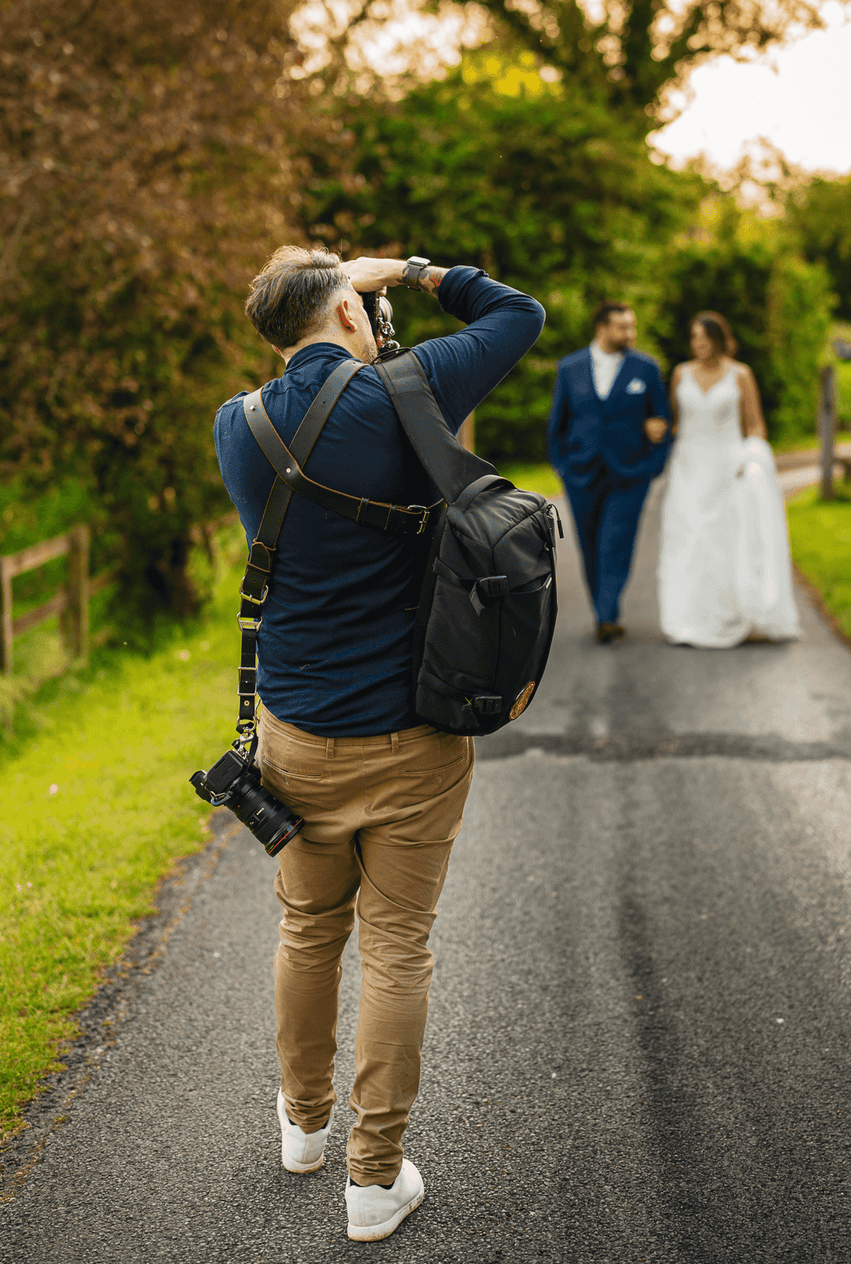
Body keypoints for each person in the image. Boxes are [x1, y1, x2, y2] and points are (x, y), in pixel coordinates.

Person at [214, 248, 544, 1243]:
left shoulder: (238, 424)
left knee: (309, 930)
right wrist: (413, 269)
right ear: (353, 315)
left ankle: (303, 1127)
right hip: (413, 733)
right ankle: (374, 1177)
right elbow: (518, 314)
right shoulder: (412, 390)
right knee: (397, 945)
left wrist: (350, 284)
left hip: (294, 735)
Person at [657, 310, 800, 648]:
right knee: (687, 540)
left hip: (728, 467)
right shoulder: (680, 374)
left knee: (726, 542)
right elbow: (673, 421)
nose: (698, 344)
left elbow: (755, 424)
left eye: (704, 338)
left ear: (719, 340)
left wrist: (751, 457)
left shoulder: (740, 374)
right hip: (687, 467)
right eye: (694, 337)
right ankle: (686, 618)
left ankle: (730, 613)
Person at [547, 301, 670, 643]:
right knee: (589, 544)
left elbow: (662, 419)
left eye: (632, 326)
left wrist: (653, 465)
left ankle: (607, 614)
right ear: (602, 328)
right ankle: (603, 609)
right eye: (623, 327)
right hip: (581, 472)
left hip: (630, 473)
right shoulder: (569, 367)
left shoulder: (646, 368)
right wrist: (561, 466)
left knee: (616, 541)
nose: (631, 333)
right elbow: (558, 421)